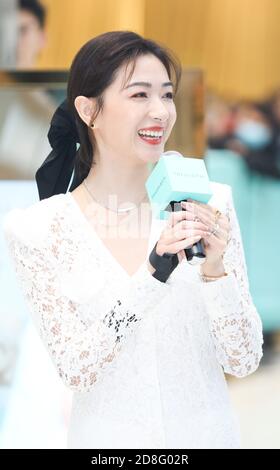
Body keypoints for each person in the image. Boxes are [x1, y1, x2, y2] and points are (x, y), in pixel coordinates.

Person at [3, 31, 263, 449]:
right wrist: (153, 274)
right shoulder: (39, 229)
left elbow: (244, 359)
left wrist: (216, 273)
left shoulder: (209, 205)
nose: (160, 111)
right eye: (139, 95)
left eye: (167, 95)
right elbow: (77, 369)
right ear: (89, 111)